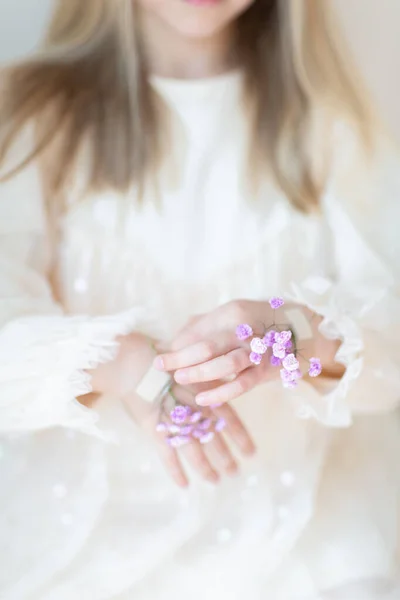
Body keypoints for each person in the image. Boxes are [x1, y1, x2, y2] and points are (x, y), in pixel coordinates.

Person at [0, 0, 399, 598]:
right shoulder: (29, 110)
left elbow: (389, 347)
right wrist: (127, 364)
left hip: (304, 542)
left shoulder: (333, 121)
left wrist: (289, 335)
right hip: (80, 546)